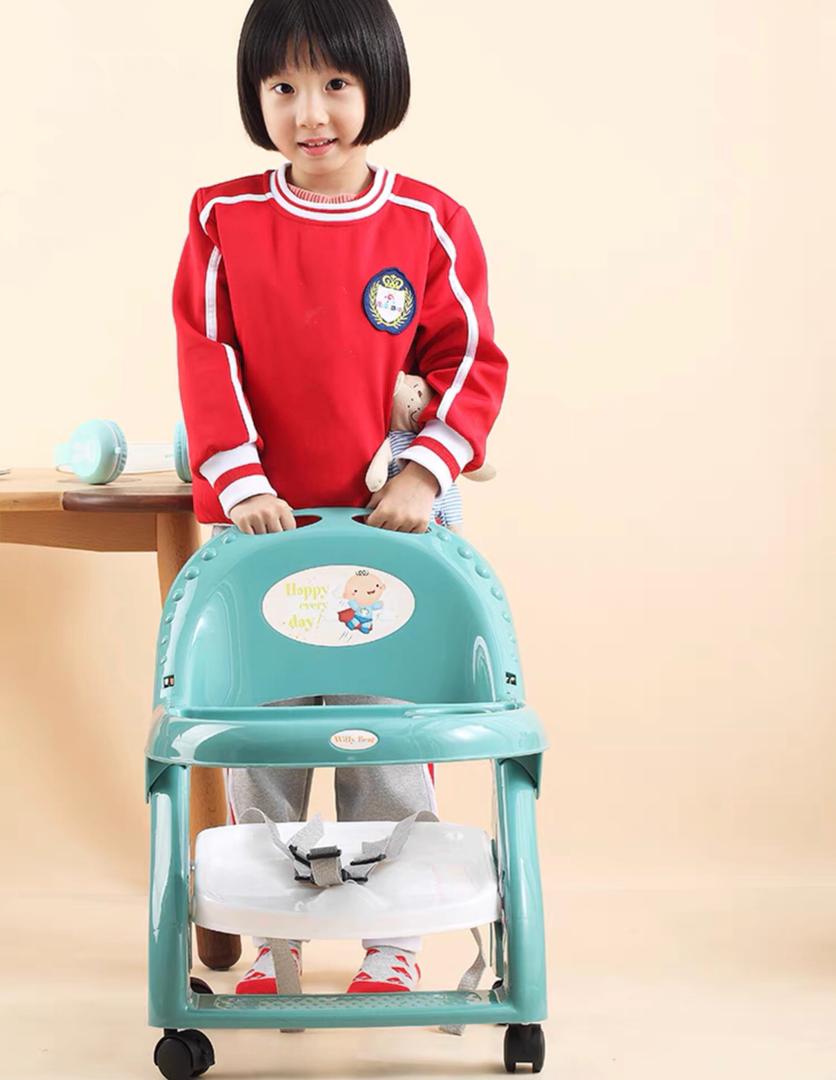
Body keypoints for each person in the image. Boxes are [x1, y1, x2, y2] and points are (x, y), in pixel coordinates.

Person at [172, 0, 508, 996]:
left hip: (385, 542)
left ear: (376, 87)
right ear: (256, 97)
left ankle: (392, 941)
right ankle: (270, 941)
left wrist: (423, 472)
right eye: (282, 86)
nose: (309, 112)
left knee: (385, 744)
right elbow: (206, 352)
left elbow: (468, 359)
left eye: (334, 84)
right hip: (259, 539)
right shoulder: (222, 217)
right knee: (262, 743)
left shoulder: (428, 221)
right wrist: (241, 481)